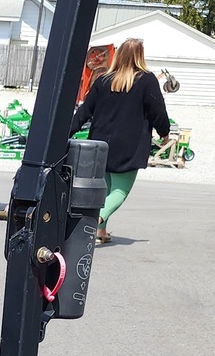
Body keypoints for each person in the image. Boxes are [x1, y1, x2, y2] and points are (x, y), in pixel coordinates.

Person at [70, 38, 171, 243]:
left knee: (104, 190)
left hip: (100, 144)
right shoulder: (146, 80)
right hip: (128, 145)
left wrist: (69, 131)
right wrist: (164, 133)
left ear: (119, 55)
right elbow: (158, 111)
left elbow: (85, 111)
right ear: (140, 56)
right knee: (119, 191)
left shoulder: (103, 80)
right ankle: (95, 223)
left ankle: (100, 232)